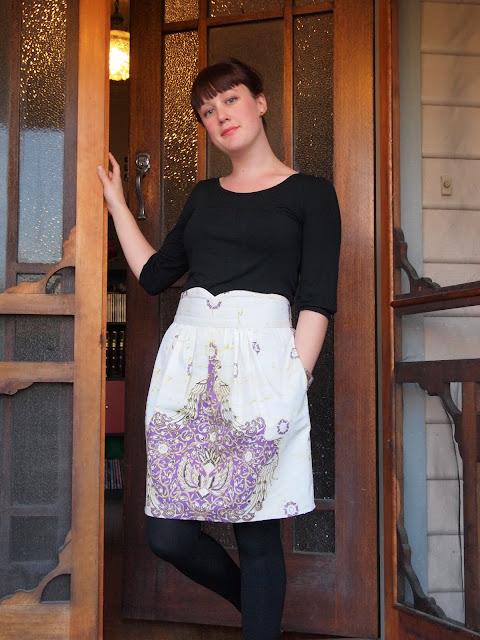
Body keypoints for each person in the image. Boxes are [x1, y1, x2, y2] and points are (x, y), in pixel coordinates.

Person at [98, 58, 341, 640]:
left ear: (260, 102)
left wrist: (294, 382)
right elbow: (155, 275)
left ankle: (261, 621)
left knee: (256, 531)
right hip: (188, 368)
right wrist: (116, 203)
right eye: (207, 111)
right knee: (168, 534)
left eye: (230, 100)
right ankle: (260, 610)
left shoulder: (310, 194)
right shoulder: (204, 197)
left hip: (264, 366)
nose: (220, 116)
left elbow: (316, 299)